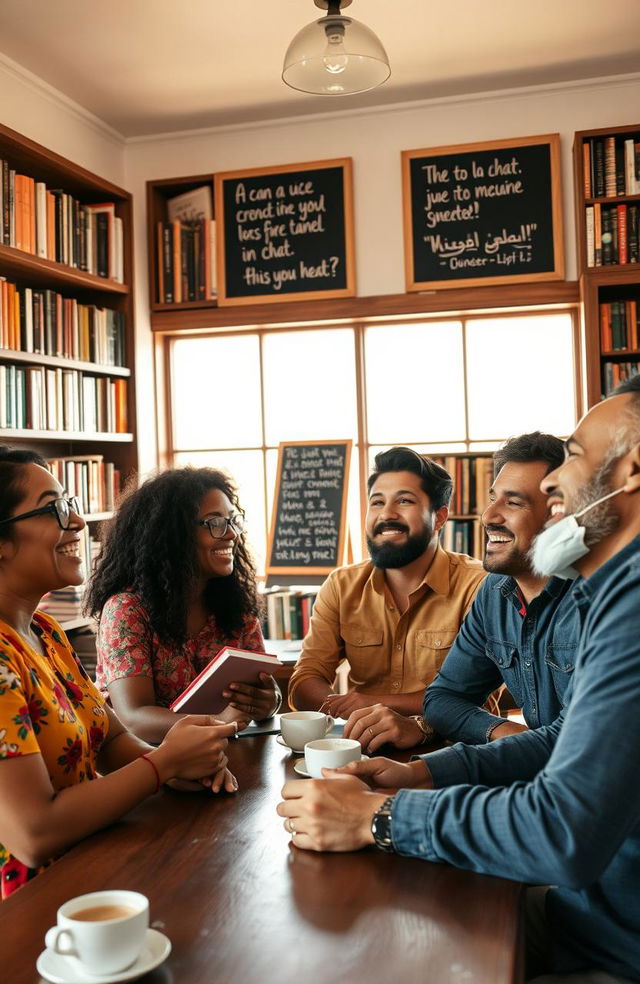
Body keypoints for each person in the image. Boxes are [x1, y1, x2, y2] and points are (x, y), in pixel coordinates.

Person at [278, 379, 640, 983]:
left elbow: (562, 831)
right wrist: (421, 772)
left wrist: (379, 817)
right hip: (588, 910)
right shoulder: (608, 590)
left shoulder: (623, 599)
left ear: (633, 471)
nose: (553, 487)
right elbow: (563, 739)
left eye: (571, 459)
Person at [0, 447, 237, 900]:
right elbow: (34, 834)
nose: (76, 521)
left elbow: (109, 739)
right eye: (55, 508)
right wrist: (163, 762)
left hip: (95, 869)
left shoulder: (45, 631)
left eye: (69, 504)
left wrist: (178, 769)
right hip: (34, 912)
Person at [345, 432, 579, 754]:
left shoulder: (594, 600)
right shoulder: (494, 593)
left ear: (559, 515)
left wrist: (421, 776)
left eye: (513, 502)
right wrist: (506, 732)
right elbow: (441, 700)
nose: (488, 517)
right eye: (492, 498)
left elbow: (575, 745)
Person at [287, 447, 488, 723]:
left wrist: (372, 704)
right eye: (377, 502)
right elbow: (305, 679)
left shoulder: (478, 586)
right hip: (362, 746)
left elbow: (475, 695)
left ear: (440, 517)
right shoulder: (341, 585)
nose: (386, 515)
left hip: (454, 750)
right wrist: (345, 710)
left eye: (404, 501)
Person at [89, 467, 281, 745]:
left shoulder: (236, 606)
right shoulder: (127, 610)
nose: (232, 535)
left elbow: (261, 691)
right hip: (148, 762)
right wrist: (218, 724)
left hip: (225, 756)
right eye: (215, 523)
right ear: (171, 534)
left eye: (233, 521)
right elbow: (133, 718)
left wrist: (268, 701)